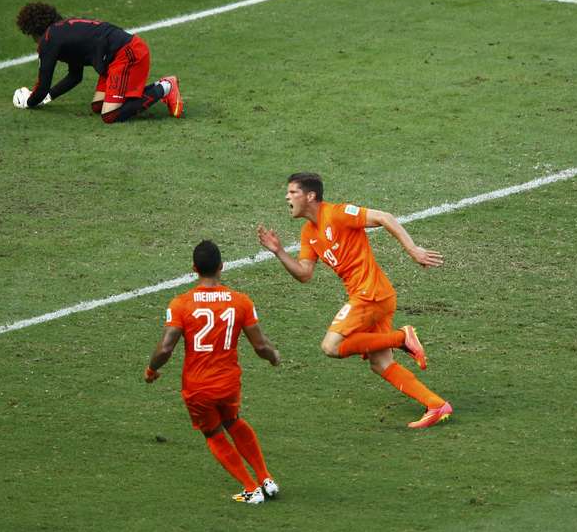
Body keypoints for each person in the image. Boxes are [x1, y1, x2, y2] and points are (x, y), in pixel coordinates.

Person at [257, 172, 452, 429]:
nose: (287, 197)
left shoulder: (337, 213)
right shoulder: (308, 234)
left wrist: (413, 250)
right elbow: (305, 274)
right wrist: (279, 252)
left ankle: (402, 338)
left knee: (332, 346)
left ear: (310, 195)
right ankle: (437, 405)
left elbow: (384, 217)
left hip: (369, 294)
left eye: (292, 192)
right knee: (381, 363)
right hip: (374, 296)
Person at [145, 240, 281, 504]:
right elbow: (261, 345)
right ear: (222, 266)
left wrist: (152, 369)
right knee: (233, 421)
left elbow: (165, 348)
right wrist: (274, 356)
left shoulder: (180, 304)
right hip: (229, 383)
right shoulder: (240, 301)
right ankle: (266, 478)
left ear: (194, 268)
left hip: (199, 388)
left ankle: (251, 488)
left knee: (213, 433)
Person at [13, 2, 183, 123]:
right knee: (98, 106)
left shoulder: (50, 40)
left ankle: (165, 87)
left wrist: (29, 102)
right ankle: (155, 90)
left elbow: (42, 85)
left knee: (110, 115)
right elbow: (75, 76)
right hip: (116, 58)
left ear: (33, 31)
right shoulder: (64, 33)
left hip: (126, 55)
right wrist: (46, 97)